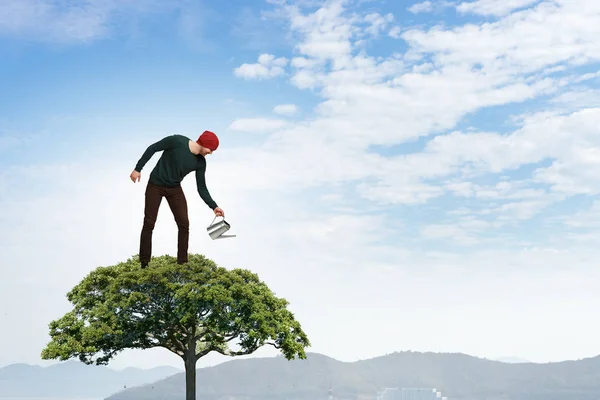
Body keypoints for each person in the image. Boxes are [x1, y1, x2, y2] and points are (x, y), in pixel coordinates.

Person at [130, 131, 225, 268]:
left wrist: (214, 206)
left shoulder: (200, 163)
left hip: (174, 188)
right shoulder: (177, 141)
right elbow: (153, 148)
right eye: (211, 149)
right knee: (149, 223)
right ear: (204, 144)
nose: (211, 153)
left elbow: (201, 187)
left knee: (184, 224)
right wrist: (138, 169)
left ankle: (182, 263)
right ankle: (144, 263)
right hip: (155, 185)